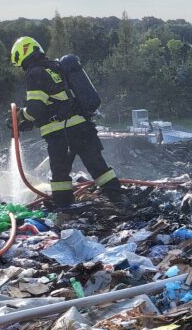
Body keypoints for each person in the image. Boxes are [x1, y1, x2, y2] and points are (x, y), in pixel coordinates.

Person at [9, 36, 126, 208]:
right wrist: (30, 120)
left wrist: (19, 117)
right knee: (98, 166)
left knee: (60, 175)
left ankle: (64, 208)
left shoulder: (35, 73)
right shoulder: (56, 68)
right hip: (82, 126)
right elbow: (57, 102)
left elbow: (35, 109)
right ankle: (118, 198)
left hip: (60, 134)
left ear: (21, 56)